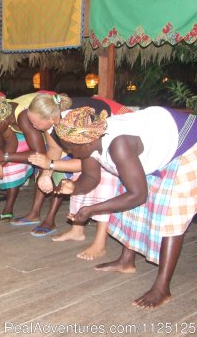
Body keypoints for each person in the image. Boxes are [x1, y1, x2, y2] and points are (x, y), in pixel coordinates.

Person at [54, 106, 197, 308]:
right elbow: (91, 177)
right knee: (126, 201)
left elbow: (138, 195)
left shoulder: (118, 145)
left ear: (86, 141)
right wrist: (74, 187)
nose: (68, 152)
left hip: (187, 143)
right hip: (157, 136)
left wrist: (91, 209)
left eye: (69, 147)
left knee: (170, 216)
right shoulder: (89, 141)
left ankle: (162, 287)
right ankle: (126, 261)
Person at [25, 92, 131, 261]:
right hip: (91, 146)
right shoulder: (50, 124)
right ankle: (77, 230)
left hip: (119, 138)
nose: (32, 125)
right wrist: (46, 174)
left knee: (104, 182)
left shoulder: (76, 122)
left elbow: (89, 163)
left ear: (51, 118)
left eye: (34, 122)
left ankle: (100, 243)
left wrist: (50, 165)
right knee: (76, 180)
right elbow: (54, 151)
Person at [0, 97, 46, 221]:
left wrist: (5, 156)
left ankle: (35, 213)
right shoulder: (5, 113)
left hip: (52, 122)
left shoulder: (24, 118)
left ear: (6, 120)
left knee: (43, 168)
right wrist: (0, 163)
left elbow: (39, 154)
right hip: (32, 126)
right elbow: (11, 142)